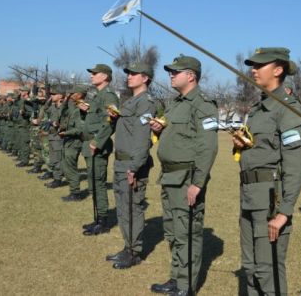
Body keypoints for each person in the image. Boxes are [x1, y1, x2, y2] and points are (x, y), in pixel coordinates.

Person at [234, 48, 301, 296]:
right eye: (252, 66)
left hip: (270, 203)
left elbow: (296, 165)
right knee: (251, 268)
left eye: (260, 65)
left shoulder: (287, 109)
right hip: (249, 197)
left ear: (277, 70)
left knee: (268, 271)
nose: (253, 70)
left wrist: (284, 211)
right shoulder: (258, 109)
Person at [150, 55, 218, 296]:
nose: (170, 75)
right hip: (169, 177)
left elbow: (207, 147)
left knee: (187, 232)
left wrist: (197, 183)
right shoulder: (175, 103)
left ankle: (185, 286)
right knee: (172, 231)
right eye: (170, 71)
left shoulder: (203, 104)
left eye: (175, 71)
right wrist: (160, 128)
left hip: (186, 179)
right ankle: (176, 278)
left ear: (191, 76)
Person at [106, 63, 156, 269]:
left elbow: (143, 138)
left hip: (131, 164)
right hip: (121, 162)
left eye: (134, 74)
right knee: (122, 209)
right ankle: (127, 247)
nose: (129, 77)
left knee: (132, 208)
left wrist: (134, 166)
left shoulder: (145, 102)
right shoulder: (131, 101)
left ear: (145, 78)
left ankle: (134, 252)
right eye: (128, 73)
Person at [79, 64, 119, 236]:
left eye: (95, 74)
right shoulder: (97, 96)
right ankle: (98, 217)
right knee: (93, 183)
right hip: (90, 145)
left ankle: (103, 220)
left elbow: (111, 122)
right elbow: (93, 120)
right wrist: (84, 111)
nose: (91, 76)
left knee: (98, 183)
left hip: (98, 146)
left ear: (105, 76)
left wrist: (97, 141)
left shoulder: (109, 96)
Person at [59, 85, 89, 201]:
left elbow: (80, 129)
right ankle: (73, 190)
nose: (70, 95)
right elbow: (62, 112)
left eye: (73, 93)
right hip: (68, 140)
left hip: (75, 141)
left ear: (80, 95)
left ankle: (75, 193)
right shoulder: (73, 106)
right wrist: (66, 100)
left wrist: (65, 133)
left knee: (71, 167)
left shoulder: (82, 107)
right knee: (66, 167)